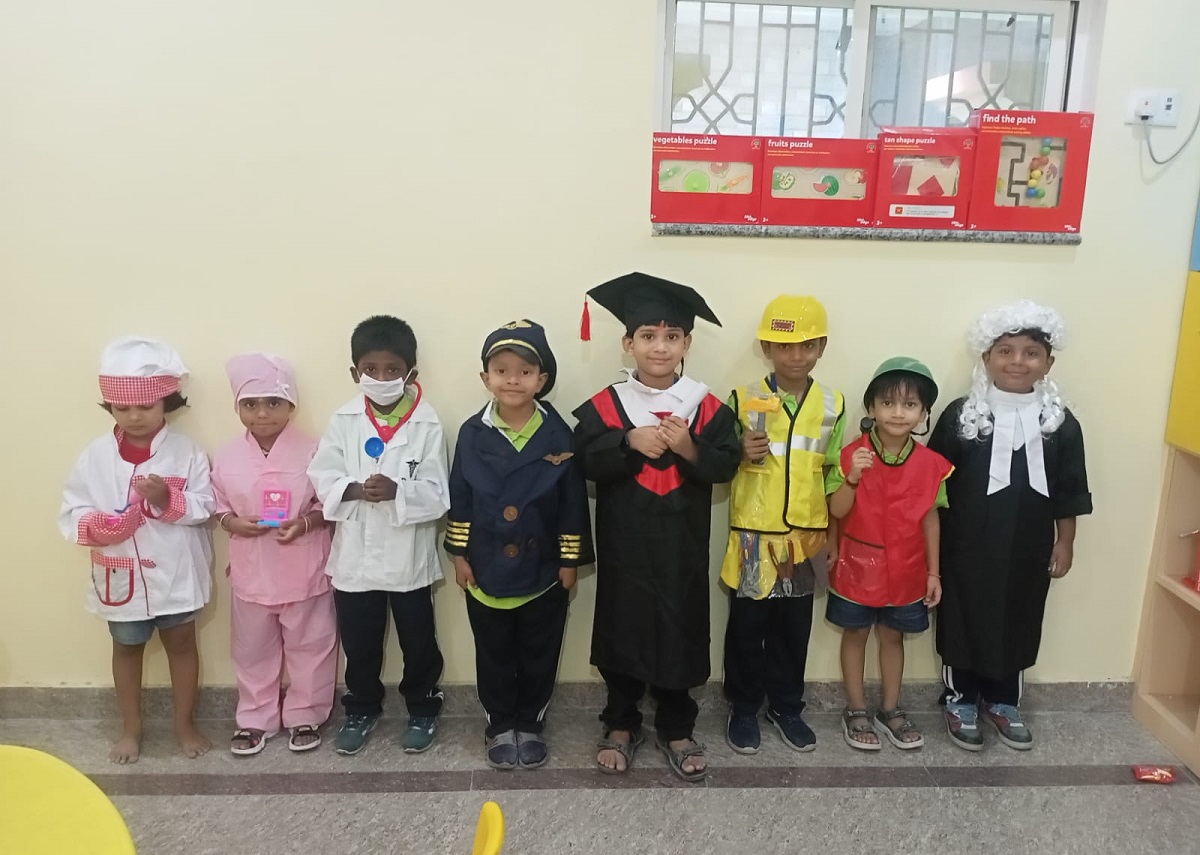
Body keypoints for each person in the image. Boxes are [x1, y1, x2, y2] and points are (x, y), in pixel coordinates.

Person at [573, 272, 741, 782]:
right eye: (647, 335)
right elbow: (584, 461)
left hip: (681, 547)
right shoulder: (608, 405)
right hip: (625, 545)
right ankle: (621, 722)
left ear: (687, 343)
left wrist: (688, 446)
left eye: (672, 336)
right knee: (622, 625)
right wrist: (627, 442)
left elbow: (725, 465)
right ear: (628, 343)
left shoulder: (706, 406)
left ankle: (676, 725)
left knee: (679, 627)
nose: (660, 346)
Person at [929, 301, 1092, 751]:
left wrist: (1065, 542)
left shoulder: (1060, 425)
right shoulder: (961, 416)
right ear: (986, 357)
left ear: (1048, 362)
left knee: (1019, 614)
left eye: (1031, 353)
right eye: (1005, 351)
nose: (1017, 361)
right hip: (965, 545)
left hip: (1028, 546)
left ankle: (1004, 699)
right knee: (963, 615)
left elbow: (1069, 491)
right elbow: (932, 486)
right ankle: (960, 698)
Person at [445, 320, 594, 770]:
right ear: (485, 377)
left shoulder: (560, 435)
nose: (513, 380)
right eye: (502, 370)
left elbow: (572, 503)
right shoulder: (472, 433)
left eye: (525, 371)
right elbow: (460, 498)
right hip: (485, 567)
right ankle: (499, 723)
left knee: (539, 652)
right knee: (493, 654)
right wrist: (459, 555)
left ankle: (530, 721)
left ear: (541, 380)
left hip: (542, 570)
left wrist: (569, 561)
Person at [59, 337, 214, 764]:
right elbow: (72, 509)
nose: (134, 416)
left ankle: (184, 724)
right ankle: (131, 728)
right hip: (120, 573)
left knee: (182, 643)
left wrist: (166, 499)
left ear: (166, 402)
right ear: (109, 406)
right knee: (126, 647)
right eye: (122, 407)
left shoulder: (186, 453)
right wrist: (99, 526)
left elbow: (205, 506)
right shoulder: (94, 457)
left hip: (175, 572)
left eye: (145, 406)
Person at [308, 315, 450, 756]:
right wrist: (353, 489)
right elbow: (322, 475)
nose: (382, 378)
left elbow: (439, 493)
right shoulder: (343, 420)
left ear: (411, 374)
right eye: (371, 369)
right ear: (355, 373)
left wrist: (398, 491)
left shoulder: (427, 424)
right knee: (360, 643)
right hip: (355, 557)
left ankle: (423, 707)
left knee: (418, 641)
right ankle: (361, 708)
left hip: (408, 558)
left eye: (393, 370)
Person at [719, 295, 845, 755]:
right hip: (754, 538)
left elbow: (833, 475)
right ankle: (743, 707)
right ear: (767, 348)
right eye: (785, 346)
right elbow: (716, 461)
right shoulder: (741, 399)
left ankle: (787, 707)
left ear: (822, 347)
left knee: (793, 632)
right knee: (747, 630)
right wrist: (737, 452)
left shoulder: (833, 404)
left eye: (807, 345)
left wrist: (832, 538)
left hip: (806, 540)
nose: (796, 356)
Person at [211, 352, 336, 756]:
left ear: (290, 405)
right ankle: (254, 718)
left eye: (273, 402)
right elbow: (215, 504)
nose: (262, 413)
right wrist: (232, 522)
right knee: (252, 649)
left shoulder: (314, 450)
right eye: (250, 404)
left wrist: (305, 524)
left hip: (304, 567)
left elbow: (329, 502)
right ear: (238, 407)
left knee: (311, 645)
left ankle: (306, 714)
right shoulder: (227, 456)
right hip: (252, 570)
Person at [826, 358, 952, 751]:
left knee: (893, 637)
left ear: (924, 413)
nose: (898, 413)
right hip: (855, 567)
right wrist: (852, 477)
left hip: (908, 570)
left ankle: (891, 708)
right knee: (855, 635)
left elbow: (931, 519)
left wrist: (934, 573)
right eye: (888, 403)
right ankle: (856, 709)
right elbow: (836, 511)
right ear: (871, 408)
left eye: (910, 405)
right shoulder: (850, 455)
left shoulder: (932, 465)